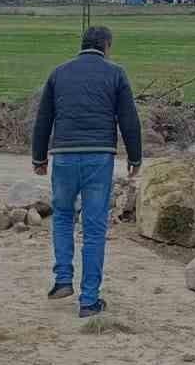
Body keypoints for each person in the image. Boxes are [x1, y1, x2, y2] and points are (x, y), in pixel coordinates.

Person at [31, 25, 142, 318]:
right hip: (98, 157)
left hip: (64, 157)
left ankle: (63, 280)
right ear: (106, 45)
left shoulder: (58, 73)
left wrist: (39, 157)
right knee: (93, 229)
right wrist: (135, 156)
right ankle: (89, 300)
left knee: (63, 217)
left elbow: (43, 118)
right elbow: (129, 118)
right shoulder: (116, 73)